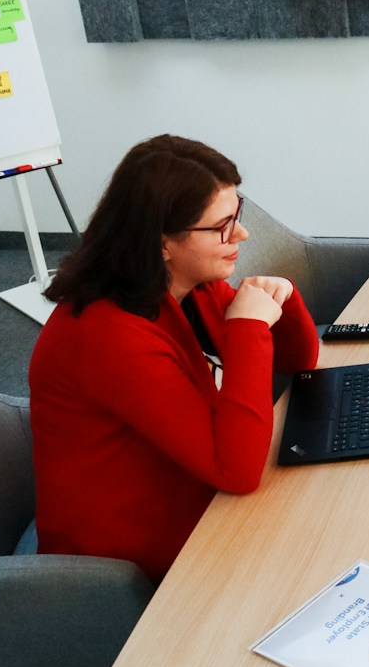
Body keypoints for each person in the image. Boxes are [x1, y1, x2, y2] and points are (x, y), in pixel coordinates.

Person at [29, 135, 319, 583]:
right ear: (163, 242)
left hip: (190, 488)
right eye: (222, 225)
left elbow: (298, 359)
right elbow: (238, 472)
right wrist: (247, 328)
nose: (240, 234)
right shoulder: (107, 335)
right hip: (127, 556)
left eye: (236, 214)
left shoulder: (186, 286)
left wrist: (280, 297)